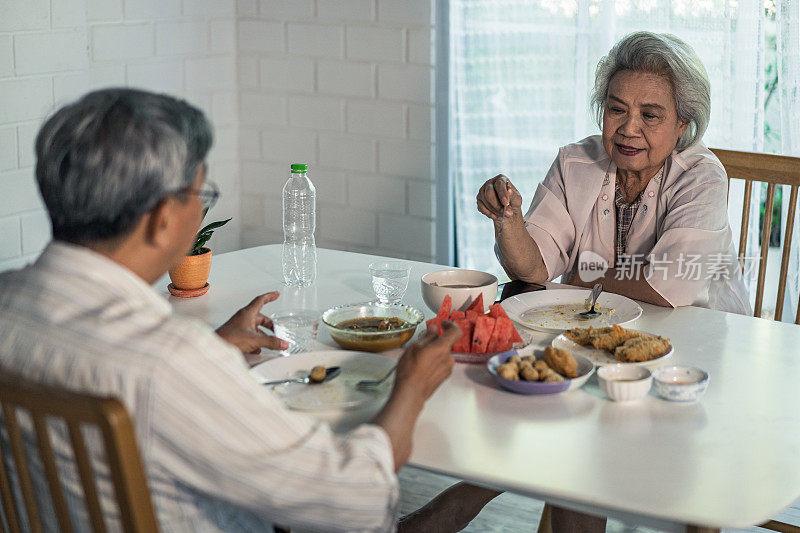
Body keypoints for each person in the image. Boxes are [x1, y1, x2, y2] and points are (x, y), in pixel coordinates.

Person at [0, 88, 462, 532]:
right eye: (202, 197)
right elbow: (354, 502)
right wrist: (413, 384)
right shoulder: (168, 364)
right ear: (163, 219)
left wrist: (210, 349)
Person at [476, 31, 750, 315]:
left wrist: (583, 278)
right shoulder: (574, 163)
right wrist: (507, 219)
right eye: (617, 109)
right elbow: (533, 268)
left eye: (650, 115)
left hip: (701, 336)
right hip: (600, 329)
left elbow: (670, 287)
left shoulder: (702, 176)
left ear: (682, 124)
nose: (629, 129)